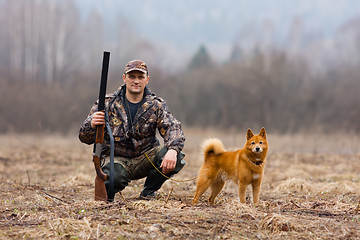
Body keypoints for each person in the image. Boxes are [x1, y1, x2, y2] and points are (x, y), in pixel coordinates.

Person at [79, 60, 186, 201]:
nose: (136, 81)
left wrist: (172, 150)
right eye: (132, 76)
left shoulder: (156, 105)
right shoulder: (106, 103)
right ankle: (109, 192)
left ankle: (148, 191)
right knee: (113, 177)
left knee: (176, 157)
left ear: (147, 80)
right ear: (124, 78)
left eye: (140, 77)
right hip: (115, 159)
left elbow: (173, 127)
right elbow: (84, 137)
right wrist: (92, 124)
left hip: (145, 158)